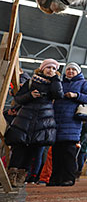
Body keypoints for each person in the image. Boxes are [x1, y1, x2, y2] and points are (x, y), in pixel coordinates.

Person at [5, 59, 63, 188]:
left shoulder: (55, 83)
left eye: (54, 69)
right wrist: (30, 95)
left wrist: (55, 80)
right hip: (25, 118)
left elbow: (59, 95)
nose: (51, 70)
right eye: (48, 67)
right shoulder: (31, 82)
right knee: (19, 147)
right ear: (41, 68)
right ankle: (11, 175)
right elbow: (18, 98)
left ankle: (21, 176)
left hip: (43, 120)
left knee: (32, 149)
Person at [48, 62, 87, 187]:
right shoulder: (60, 83)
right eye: (68, 69)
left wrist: (76, 95)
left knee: (69, 152)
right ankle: (55, 178)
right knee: (56, 152)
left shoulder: (83, 83)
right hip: (57, 120)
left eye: (74, 69)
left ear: (78, 72)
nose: (71, 71)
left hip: (72, 121)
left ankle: (68, 178)